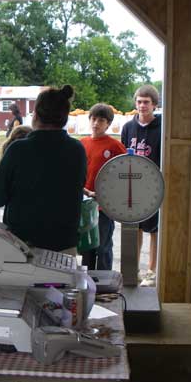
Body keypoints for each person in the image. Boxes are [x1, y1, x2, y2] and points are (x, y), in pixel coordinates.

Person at [0, 85, 87, 253]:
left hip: (22, 247)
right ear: (64, 117)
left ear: (36, 114)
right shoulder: (77, 149)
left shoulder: (18, 149)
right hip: (64, 244)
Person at [120, 84, 162, 285]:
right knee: (134, 228)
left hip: (152, 185)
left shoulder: (162, 128)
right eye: (139, 101)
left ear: (154, 105)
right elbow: (122, 156)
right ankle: (133, 269)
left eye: (146, 102)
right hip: (132, 185)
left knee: (154, 230)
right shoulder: (129, 127)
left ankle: (152, 271)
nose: (142, 105)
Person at [80, 103, 127, 270]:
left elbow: (125, 172)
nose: (96, 123)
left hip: (105, 204)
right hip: (85, 204)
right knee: (87, 246)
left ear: (108, 124)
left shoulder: (114, 146)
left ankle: (105, 284)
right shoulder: (82, 143)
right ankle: (87, 281)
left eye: (101, 120)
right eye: (93, 119)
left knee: (103, 245)